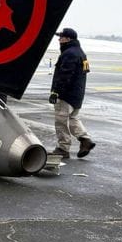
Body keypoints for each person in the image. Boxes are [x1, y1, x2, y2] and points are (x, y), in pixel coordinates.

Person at [49, 27, 96, 159]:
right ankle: (85, 140)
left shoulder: (69, 53)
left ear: (68, 39)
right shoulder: (81, 53)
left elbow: (65, 75)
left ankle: (63, 148)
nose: (59, 39)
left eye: (61, 37)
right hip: (77, 95)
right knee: (72, 118)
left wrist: (56, 92)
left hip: (66, 95)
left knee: (61, 121)